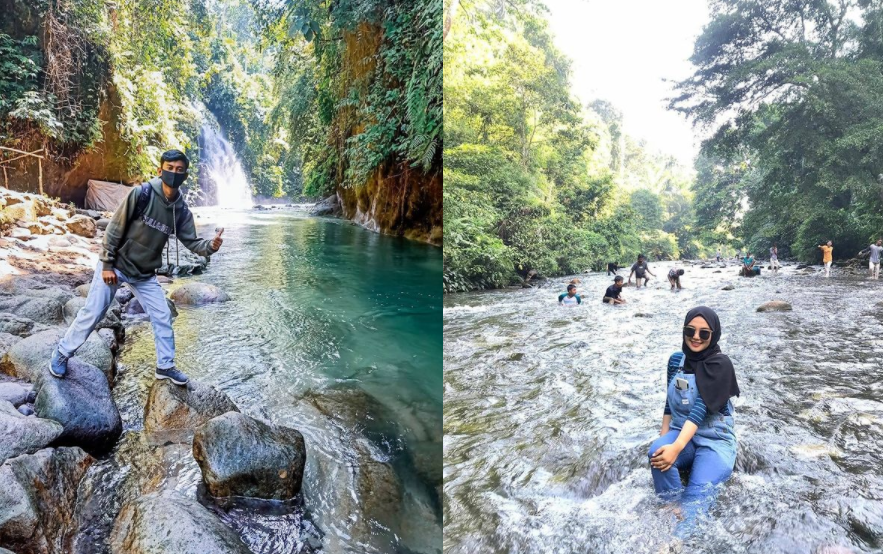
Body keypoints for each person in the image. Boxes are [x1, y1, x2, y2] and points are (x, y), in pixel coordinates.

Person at [49, 150, 224, 385]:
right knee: (93, 312)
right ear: (160, 170)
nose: (174, 173)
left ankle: (165, 366)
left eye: (179, 170)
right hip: (117, 263)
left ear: (185, 175)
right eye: (169, 168)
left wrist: (211, 246)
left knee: (162, 316)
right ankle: (61, 353)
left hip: (144, 272)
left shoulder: (180, 210)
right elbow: (114, 228)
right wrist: (108, 264)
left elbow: (192, 242)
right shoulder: (142, 194)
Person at [648, 307, 740, 537]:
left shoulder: (721, 365)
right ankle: (670, 505)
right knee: (656, 453)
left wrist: (676, 447)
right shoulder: (676, 360)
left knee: (697, 493)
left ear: (714, 335)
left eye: (704, 333)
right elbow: (669, 402)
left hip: (715, 439)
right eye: (690, 330)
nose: (696, 337)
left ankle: (677, 543)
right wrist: (664, 437)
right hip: (682, 431)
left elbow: (700, 409)